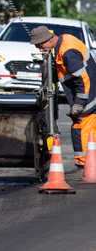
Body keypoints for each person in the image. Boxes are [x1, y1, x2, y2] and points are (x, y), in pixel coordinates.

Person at [30, 25, 96, 175]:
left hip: (88, 95)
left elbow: (82, 79)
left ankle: (85, 165)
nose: (41, 50)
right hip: (91, 93)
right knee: (91, 131)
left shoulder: (67, 51)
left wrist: (79, 103)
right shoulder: (64, 41)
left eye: (40, 46)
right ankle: (90, 164)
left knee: (79, 129)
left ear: (48, 39)